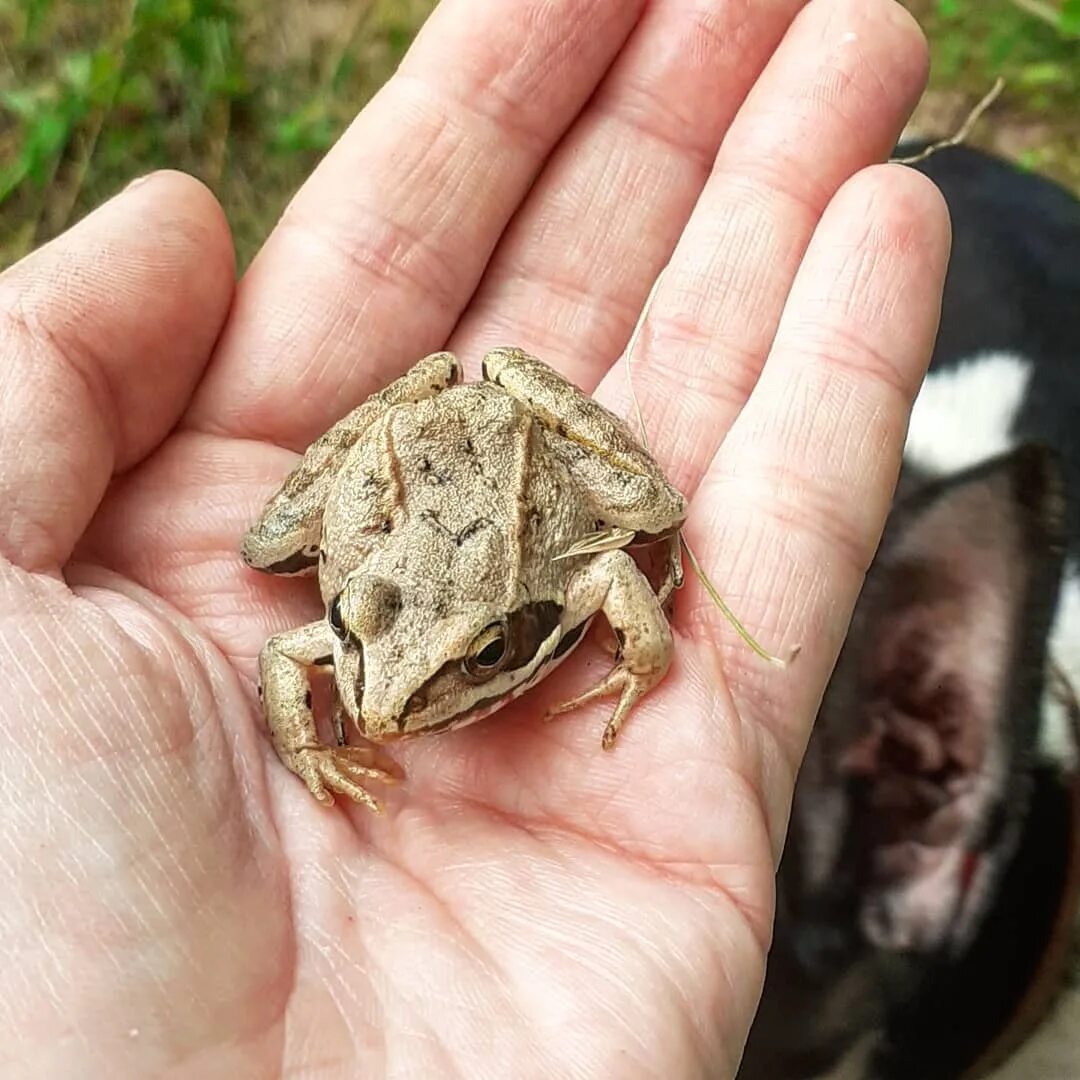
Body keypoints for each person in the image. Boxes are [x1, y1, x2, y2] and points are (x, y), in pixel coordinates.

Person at [0, 0, 949, 1074]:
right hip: (417, 484)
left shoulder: (551, 591)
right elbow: (287, 652)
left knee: (650, 513)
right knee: (269, 550)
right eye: (353, 653)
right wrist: (311, 750)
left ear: (504, 641)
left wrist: (648, 658)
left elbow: (607, 579)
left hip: (508, 477)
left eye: (469, 667)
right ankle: (411, 478)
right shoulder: (352, 655)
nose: (376, 703)